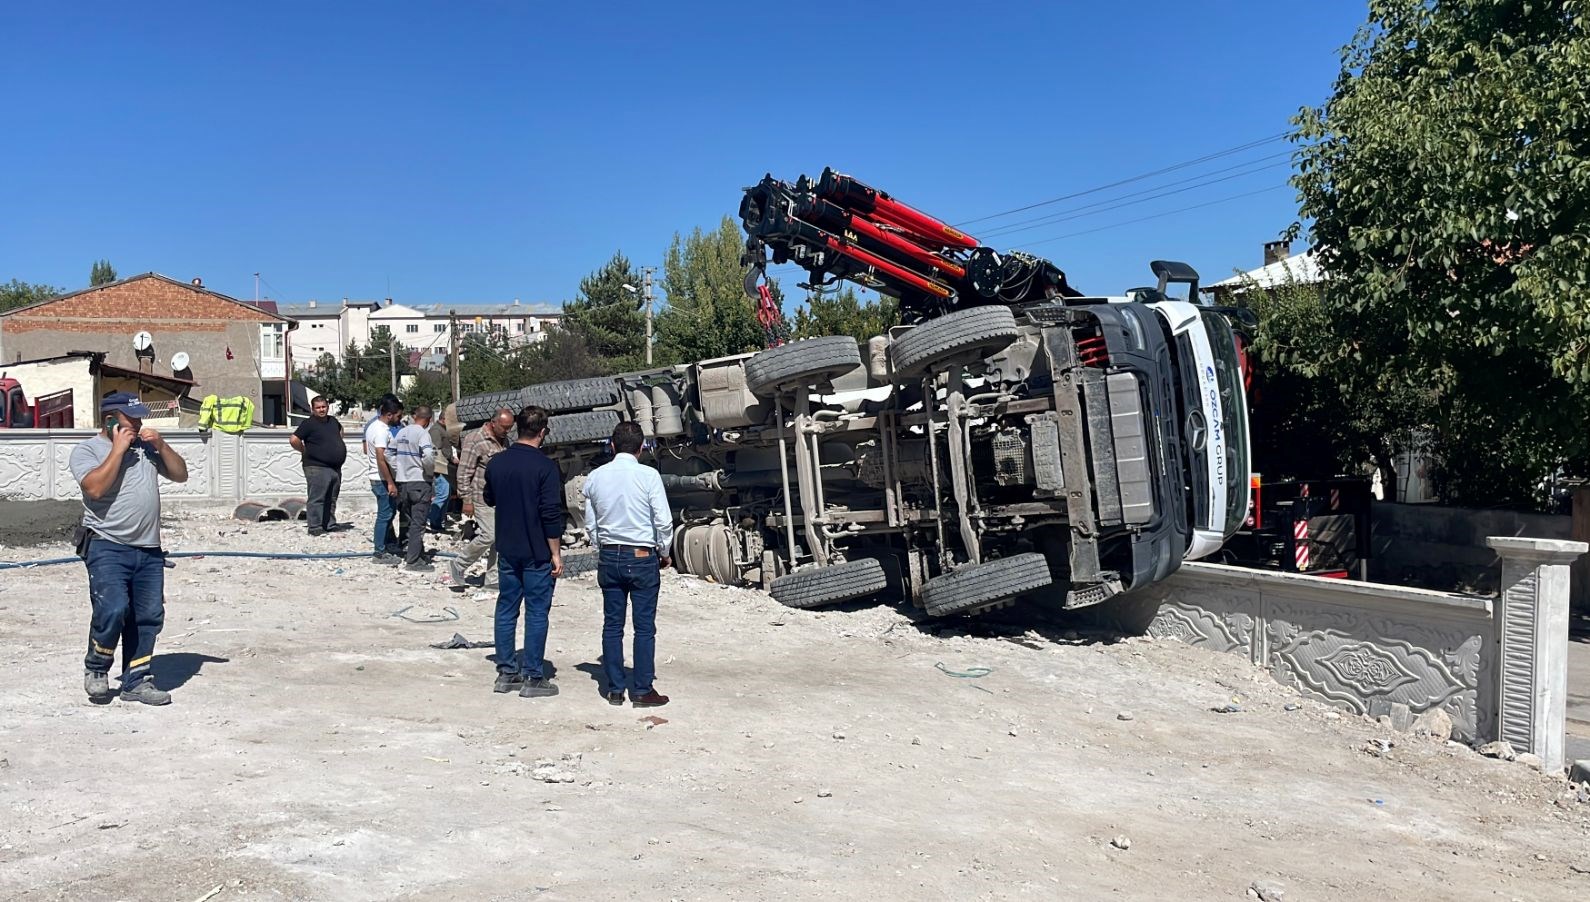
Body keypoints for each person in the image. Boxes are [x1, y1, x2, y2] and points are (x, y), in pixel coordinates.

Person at [70, 392, 190, 705]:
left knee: (148, 616)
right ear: (110, 420)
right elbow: (95, 488)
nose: (137, 424)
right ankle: (97, 668)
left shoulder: (146, 449)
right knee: (112, 608)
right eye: (130, 419)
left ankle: (136, 681)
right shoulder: (87, 450)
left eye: (139, 418)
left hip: (149, 549)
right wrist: (118, 450)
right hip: (107, 545)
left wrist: (162, 447)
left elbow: (180, 474)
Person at [582, 421, 673, 708]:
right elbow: (663, 520)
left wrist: (602, 545)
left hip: (610, 555)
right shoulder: (648, 475)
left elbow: (591, 522)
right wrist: (664, 550)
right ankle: (643, 689)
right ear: (642, 447)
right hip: (642, 555)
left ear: (611, 445)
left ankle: (615, 688)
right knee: (644, 627)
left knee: (612, 624)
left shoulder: (595, 477)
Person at [483, 405, 564, 698]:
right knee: (536, 612)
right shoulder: (546, 467)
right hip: (536, 550)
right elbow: (550, 514)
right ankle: (533, 675)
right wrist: (556, 553)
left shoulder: (497, 463)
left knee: (506, 607)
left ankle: (506, 672)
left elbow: (489, 498)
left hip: (507, 546)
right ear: (542, 431)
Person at [449, 408, 514, 590]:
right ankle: (459, 564)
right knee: (489, 534)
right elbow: (463, 472)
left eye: (510, 427)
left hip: (499, 497)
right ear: (493, 423)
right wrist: (466, 500)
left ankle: (492, 579)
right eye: (504, 427)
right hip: (480, 496)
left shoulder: (504, 440)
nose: (507, 431)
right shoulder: (475, 440)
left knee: (499, 538)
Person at [389, 405, 438, 570]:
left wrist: (399, 468)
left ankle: (415, 552)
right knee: (419, 523)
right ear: (429, 420)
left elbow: (389, 454)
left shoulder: (402, 432)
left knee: (409, 520)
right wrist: (429, 472)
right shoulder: (423, 434)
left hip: (403, 482)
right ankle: (413, 561)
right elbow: (429, 456)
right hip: (419, 482)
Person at [290, 395, 345, 536]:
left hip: (335, 467)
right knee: (317, 497)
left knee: (331, 497)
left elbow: (340, 431)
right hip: (316, 466)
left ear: (328, 406)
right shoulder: (309, 424)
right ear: (312, 409)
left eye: (324, 407)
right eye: (318, 407)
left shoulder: (333, 421)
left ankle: (329, 523)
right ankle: (315, 526)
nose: (321, 410)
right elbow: (294, 439)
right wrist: (304, 450)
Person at [364, 396, 404, 562]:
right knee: (384, 515)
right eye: (398, 416)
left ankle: (387, 544)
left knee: (389, 512)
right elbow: (381, 458)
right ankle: (379, 552)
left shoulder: (374, 427)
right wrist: (390, 482)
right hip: (381, 479)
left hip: (380, 478)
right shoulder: (381, 431)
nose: (399, 419)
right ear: (389, 414)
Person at [427, 408, 454, 534]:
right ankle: (434, 522)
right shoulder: (436, 430)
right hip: (441, 468)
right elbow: (435, 451)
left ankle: (438, 521)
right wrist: (436, 469)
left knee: (445, 495)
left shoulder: (441, 429)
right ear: (443, 419)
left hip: (445, 466)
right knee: (442, 495)